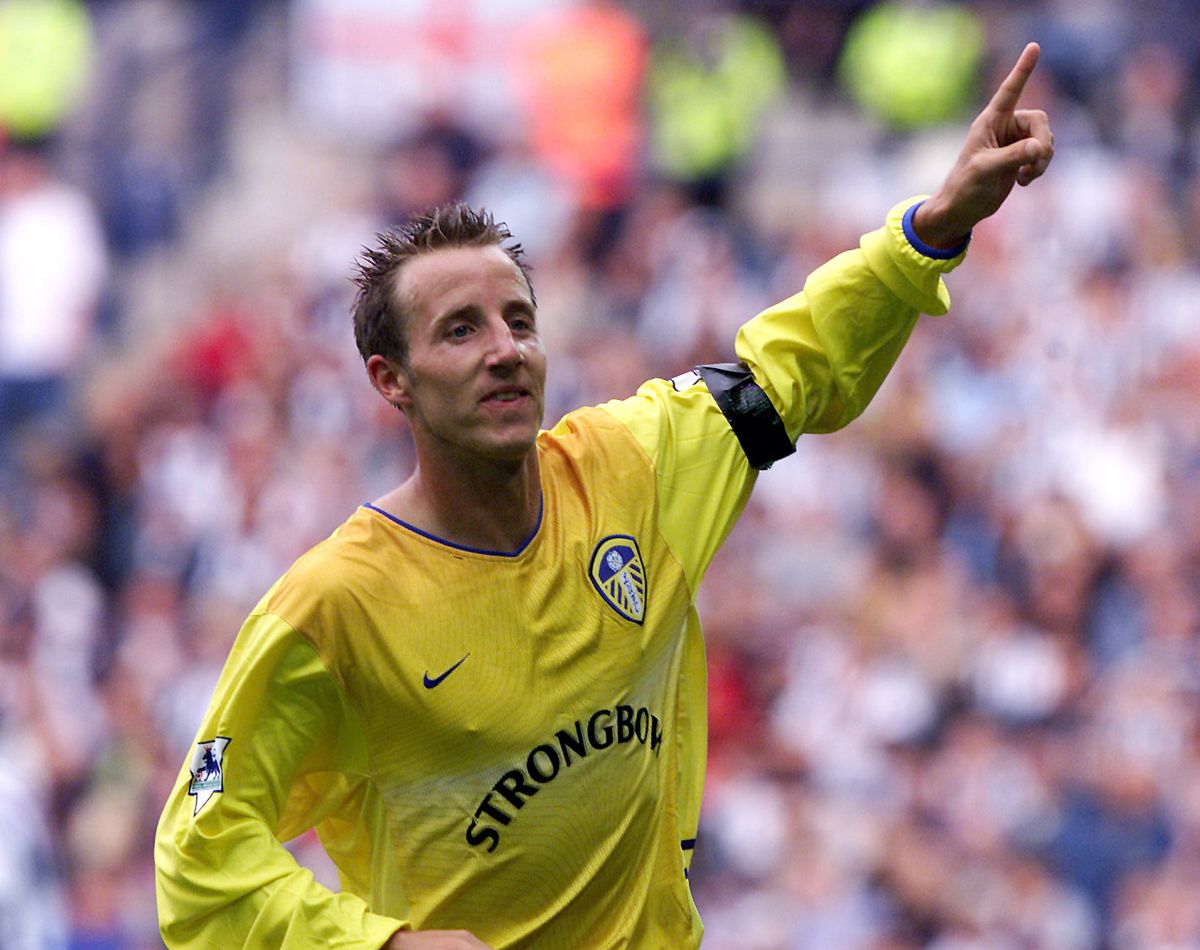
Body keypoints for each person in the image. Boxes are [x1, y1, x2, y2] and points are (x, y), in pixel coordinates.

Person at [154, 43, 1054, 950]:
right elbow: (199, 856)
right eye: (460, 330)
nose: (505, 350)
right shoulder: (335, 606)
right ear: (391, 379)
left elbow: (794, 369)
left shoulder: (635, 466)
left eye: (519, 321)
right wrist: (381, 945)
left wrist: (930, 230)